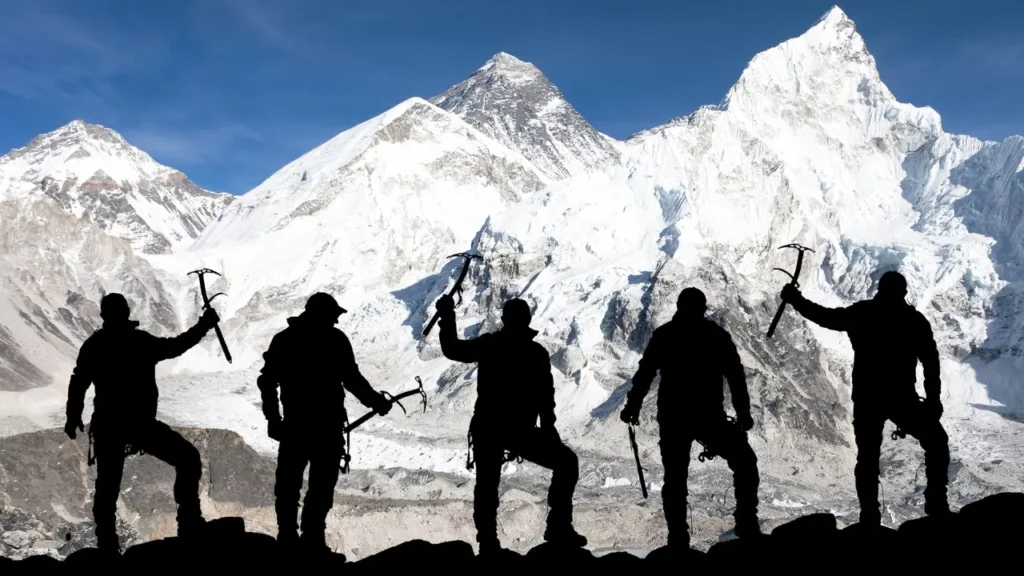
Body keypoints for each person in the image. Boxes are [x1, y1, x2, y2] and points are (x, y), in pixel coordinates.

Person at [779, 270, 950, 525]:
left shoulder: (862, 313)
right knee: (936, 442)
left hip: (868, 398)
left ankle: (869, 514)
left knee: (868, 457)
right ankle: (936, 503)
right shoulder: (914, 320)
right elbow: (931, 362)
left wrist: (796, 299)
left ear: (879, 290)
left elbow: (825, 317)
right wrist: (934, 400)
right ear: (903, 292)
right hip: (902, 398)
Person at [64, 293, 221, 553]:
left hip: (109, 425)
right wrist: (204, 325)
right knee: (188, 459)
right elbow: (176, 346)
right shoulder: (140, 342)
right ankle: (189, 523)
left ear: (104, 315)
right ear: (127, 311)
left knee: (107, 485)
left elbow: (78, 380)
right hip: (140, 424)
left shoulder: (95, 345)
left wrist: (73, 416)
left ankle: (107, 544)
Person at [435, 294, 587, 554]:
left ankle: (488, 542)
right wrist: (549, 430)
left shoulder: (490, 345)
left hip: (489, 428)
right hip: (520, 431)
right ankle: (558, 527)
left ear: (504, 320)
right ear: (528, 320)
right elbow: (545, 397)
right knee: (566, 463)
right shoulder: (536, 353)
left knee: (487, 484)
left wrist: (448, 315)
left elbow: (452, 349)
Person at [620, 287, 761, 549]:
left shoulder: (665, 335)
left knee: (675, 478)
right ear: (703, 308)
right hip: (709, 417)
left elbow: (645, 373)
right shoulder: (716, 336)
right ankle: (746, 522)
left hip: (675, 417)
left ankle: (678, 538)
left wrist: (633, 405)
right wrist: (743, 414)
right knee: (745, 462)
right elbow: (735, 376)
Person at [256, 292, 393, 554]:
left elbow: (267, 382)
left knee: (289, 485)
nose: (335, 321)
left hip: (295, 427)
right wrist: (376, 402)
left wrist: (274, 419)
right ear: (324, 314)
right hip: (326, 429)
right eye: (333, 316)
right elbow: (352, 380)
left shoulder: (285, 340)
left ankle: (288, 538)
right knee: (320, 487)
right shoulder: (335, 340)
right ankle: (312, 540)